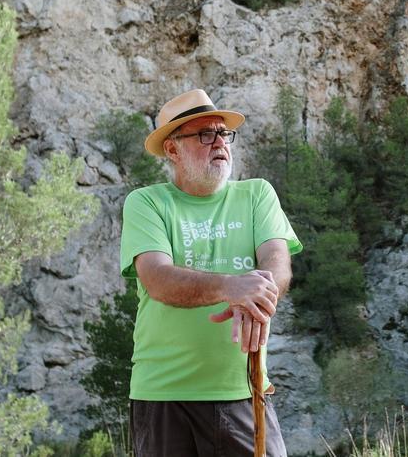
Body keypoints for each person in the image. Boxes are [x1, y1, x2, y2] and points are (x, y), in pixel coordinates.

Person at [120, 89, 302, 456]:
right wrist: (231, 288)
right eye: (206, 135)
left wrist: (258, 295)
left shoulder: (257, 196)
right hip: (162, 394)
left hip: (241, 390)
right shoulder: (147, 203)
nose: (220, 142)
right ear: (172, 149)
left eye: (224, 133)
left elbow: (277, 263)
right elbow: (157, 279)